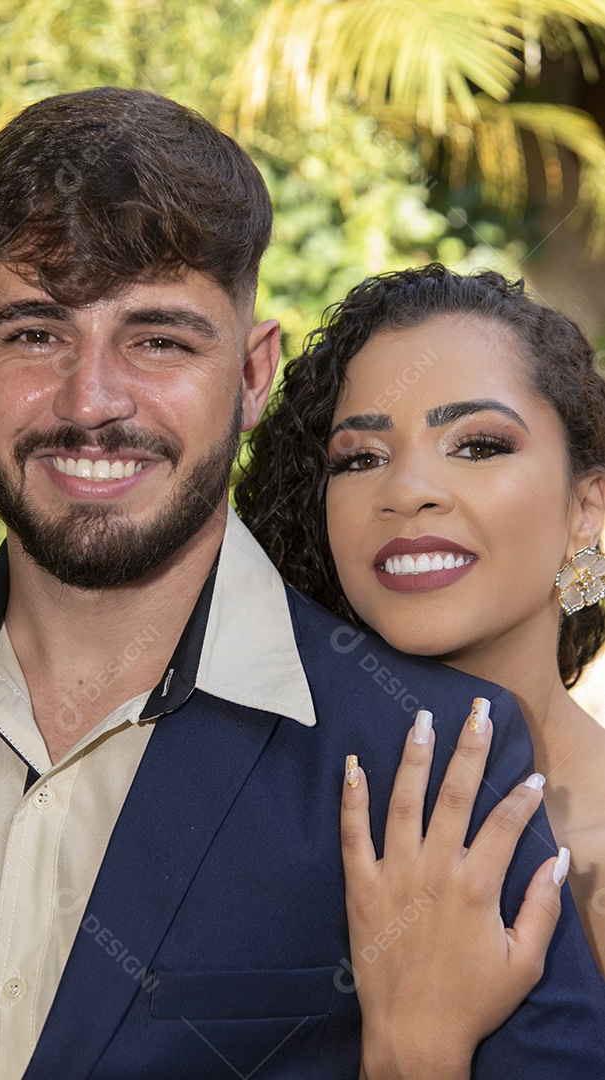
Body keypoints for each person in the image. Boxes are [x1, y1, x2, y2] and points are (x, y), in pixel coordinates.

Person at [0, 90, 599, 1080]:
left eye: (160, 340)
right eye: (37, 333)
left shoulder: (435, 763)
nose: (91, 401)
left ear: (254, 373)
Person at [237, 263, 605, 1075]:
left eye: (476, 444)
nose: (406, 491)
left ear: (587, 511)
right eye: (360, 458)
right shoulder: (246, 815)